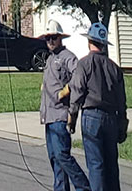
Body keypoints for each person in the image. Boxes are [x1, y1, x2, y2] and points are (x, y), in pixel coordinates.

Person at [68, 22, 128, 191]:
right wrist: (122, 123)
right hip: (111, 117)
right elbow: (121, 100)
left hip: (91, 116)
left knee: (96, 165)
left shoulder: (84, 64)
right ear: (103, 44)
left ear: (89, 42)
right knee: (111, 164)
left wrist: (72, 117)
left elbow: (77, 91)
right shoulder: (114, 68)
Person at [39, 21, 90, 191]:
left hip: (60, 115)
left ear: (60, 38)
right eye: (48, 38)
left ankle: (83, 187)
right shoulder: (50, 58)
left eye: (53, 38)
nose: (50, 41)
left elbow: (79, 77)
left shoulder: (68, 56)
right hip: (48, 115)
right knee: (54, 157)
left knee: (62, 156)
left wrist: (65, 91)